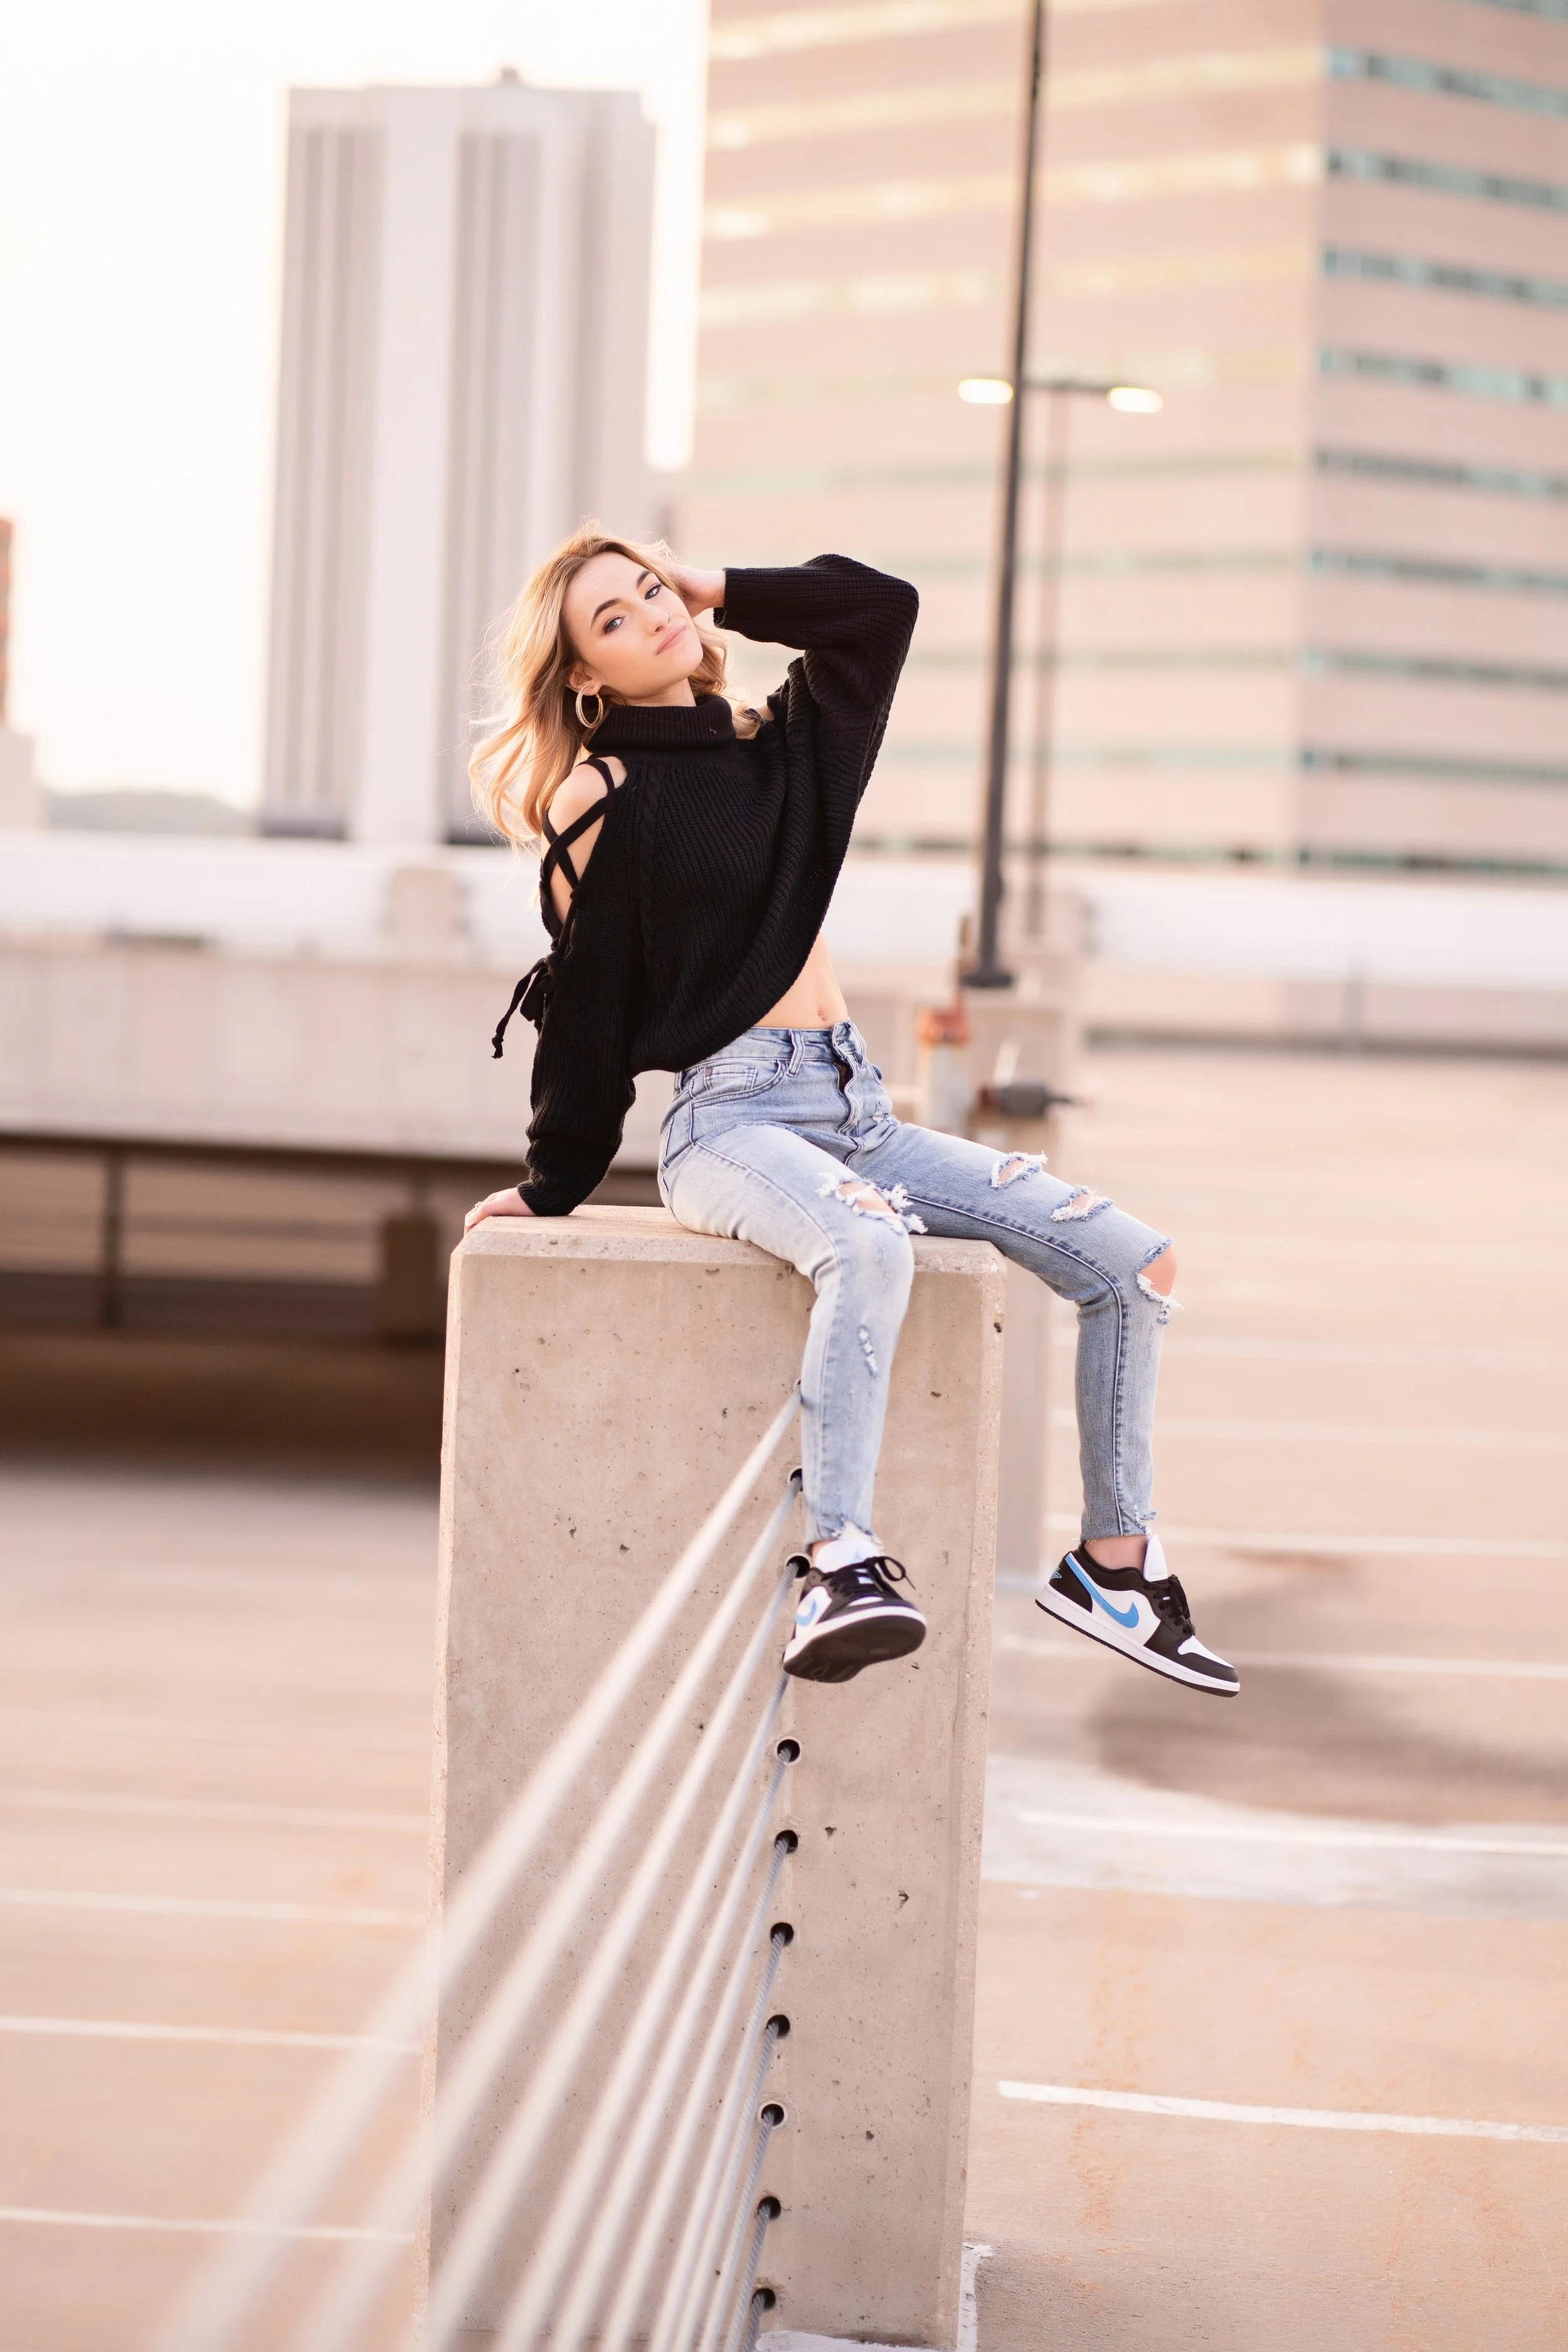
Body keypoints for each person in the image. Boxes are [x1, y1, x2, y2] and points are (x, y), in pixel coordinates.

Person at [464, 528, 1237, 1698]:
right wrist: (552, 1179)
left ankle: (1114, 1567)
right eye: (613, 619)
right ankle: (839, 1559)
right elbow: (590, 1002)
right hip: (728, 1124)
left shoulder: (781, 747)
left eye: (653, 589)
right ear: (581, 675)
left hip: (856, 1107)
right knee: (868, 1242)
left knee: (1135, 1264)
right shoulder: (600, 794)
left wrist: (718, 585)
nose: (653, 614)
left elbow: (880, 610)